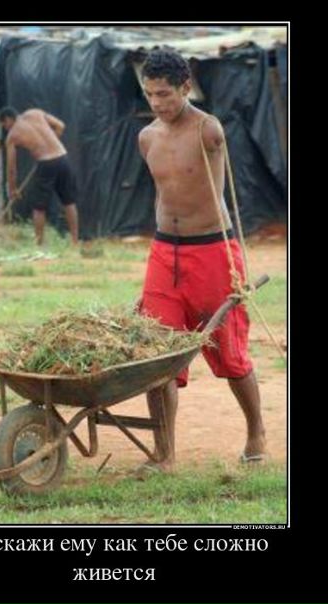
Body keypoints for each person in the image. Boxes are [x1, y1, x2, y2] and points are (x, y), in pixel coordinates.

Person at [137, 49, 266, 473]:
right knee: (158, 355)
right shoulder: (146, 137)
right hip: (164, 253)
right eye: (150, 94)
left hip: (213, 250)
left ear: (186, 88)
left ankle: (256, 433)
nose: (156, 102)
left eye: (164, 94)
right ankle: (165, 454)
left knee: (229, 353)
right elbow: (162, 194)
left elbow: (218, 158)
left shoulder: (207, 129)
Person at [0, 107, 79, 245]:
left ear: (8, 119)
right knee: (69, 202)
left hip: (46, 163)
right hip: (62, 158)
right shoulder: (35, 113)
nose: (5, 128)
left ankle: (39, 245)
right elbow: (60, 126)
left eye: (4, 125)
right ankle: (75, 241)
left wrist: (12, 189)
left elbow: (11, 168)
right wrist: (51, 144)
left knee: (39, 207)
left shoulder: (12, 136)